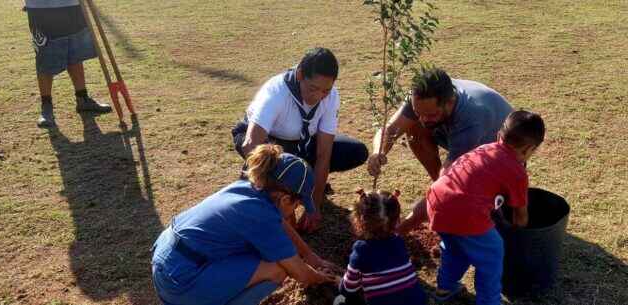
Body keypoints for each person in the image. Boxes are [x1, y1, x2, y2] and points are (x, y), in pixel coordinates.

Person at [151, 144, 340, 305]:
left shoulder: (249, 188)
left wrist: (310, 256)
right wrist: (328, 278)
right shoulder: (261, 215)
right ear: (285, 199)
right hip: (180, 280)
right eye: (298, 204)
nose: (297, 210)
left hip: (168, 259)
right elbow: (301, 274)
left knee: (263, 254)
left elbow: (280, 223)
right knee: (277, 269)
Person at [232, 47, 369, 231]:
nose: (318, 96)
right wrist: (284, 207)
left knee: (355, 151)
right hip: (264, 142)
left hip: (300, 142)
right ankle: (265, 198)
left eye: (325, 91)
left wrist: (314, 206)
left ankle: (303, 183)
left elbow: (323, 155)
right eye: (313, 88)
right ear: (300, 74)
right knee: (276, 173)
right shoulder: (276, 92)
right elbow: (251, 143)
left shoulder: (331, 96)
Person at [365, 67, 514, 234]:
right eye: (418, 112)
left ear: (449, 102)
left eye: (431, 115)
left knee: (451, 190)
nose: (423, 119)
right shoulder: (420, 98)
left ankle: (452, 201)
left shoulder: (471, 118)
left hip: (499, 157)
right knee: (413, 127)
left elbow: (447, 181)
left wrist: (399, 230)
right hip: (459, 138)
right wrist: (378, 151)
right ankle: (445, 195)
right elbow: (391, 129)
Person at [425, 110, 545, 304]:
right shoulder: (517, 171)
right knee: (492, 255)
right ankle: (489, 301)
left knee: (455, 248)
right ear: (529, 149)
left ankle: (444, 289)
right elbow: (520, 215)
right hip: (465, 213)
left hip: (437, 202)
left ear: (499, 135)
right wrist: (521, 237)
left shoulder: (485, 148)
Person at [24, 0, 112, 128]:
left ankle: (82, 99)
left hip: (72, 6)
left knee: (75, 50)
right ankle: (46, 106)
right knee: (46, 55)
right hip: (41, 8)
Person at [334, 189, 427, 305]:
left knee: (341, 300)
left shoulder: (361, 250)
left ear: (359, 221)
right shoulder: (399, 242)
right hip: (418, 301)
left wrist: (339, 282)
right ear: (397, 221)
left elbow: (349, 288)